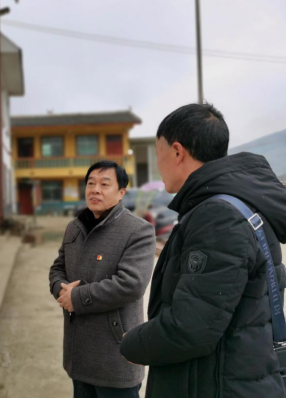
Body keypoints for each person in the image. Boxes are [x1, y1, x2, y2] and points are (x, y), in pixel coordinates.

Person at [121, 103, 286, 398]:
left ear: (177, 152)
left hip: (216, 384)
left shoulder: (217, 216)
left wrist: (132, 344)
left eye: (158, 153)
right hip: (228, 376)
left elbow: (192, 327)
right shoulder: (236, 205)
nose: (158, 164)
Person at [49, 161, 156, 398]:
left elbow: (131, 284)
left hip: (115, 353)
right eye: (91, 183)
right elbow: (57, 268)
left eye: (104, 184)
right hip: (79, 351)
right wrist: (60, 290)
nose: (95, 190)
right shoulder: (75, 227)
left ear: (121, 193)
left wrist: (77, 297)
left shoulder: (138, 230)